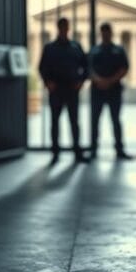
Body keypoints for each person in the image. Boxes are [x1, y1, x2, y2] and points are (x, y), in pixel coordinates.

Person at [39, 17, 89, 164]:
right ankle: (55, 153)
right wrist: (48, 83)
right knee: (55, 122)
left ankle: (77, 153)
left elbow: (86, 66)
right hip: (56, 90)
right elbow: (42, 67)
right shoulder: (50, 48)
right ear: (58, 28)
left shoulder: (76, 46)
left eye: (66, 27)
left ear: (69, 28)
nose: (64, 29)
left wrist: (81, 82)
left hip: (72, 89)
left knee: (74, 122)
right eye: (62, 27)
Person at [89, 22, 133, 160]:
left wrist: (109, 81)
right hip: (98, 91)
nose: (105, 34)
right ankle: (94, 150)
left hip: (114, 90)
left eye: (107, 32)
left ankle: (119, 150)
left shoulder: (119, 50)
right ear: (100, 33)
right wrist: (99, 81)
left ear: (111, 33)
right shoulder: (94, 50)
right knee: (95, 121)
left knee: (116, 120)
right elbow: (89, 69)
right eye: (103, 32)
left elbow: (124, 68)